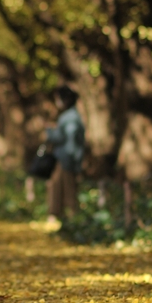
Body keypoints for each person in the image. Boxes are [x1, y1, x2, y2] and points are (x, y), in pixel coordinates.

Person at [44, 85, 86, 222]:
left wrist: (49, 132)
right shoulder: (70, 116)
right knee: (58, 186)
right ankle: (61, 217)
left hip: (66, 159)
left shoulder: (70, 118)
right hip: (65, 158)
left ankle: (69, 218)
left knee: (66, 189)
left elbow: (69, 139)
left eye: (58, 99)